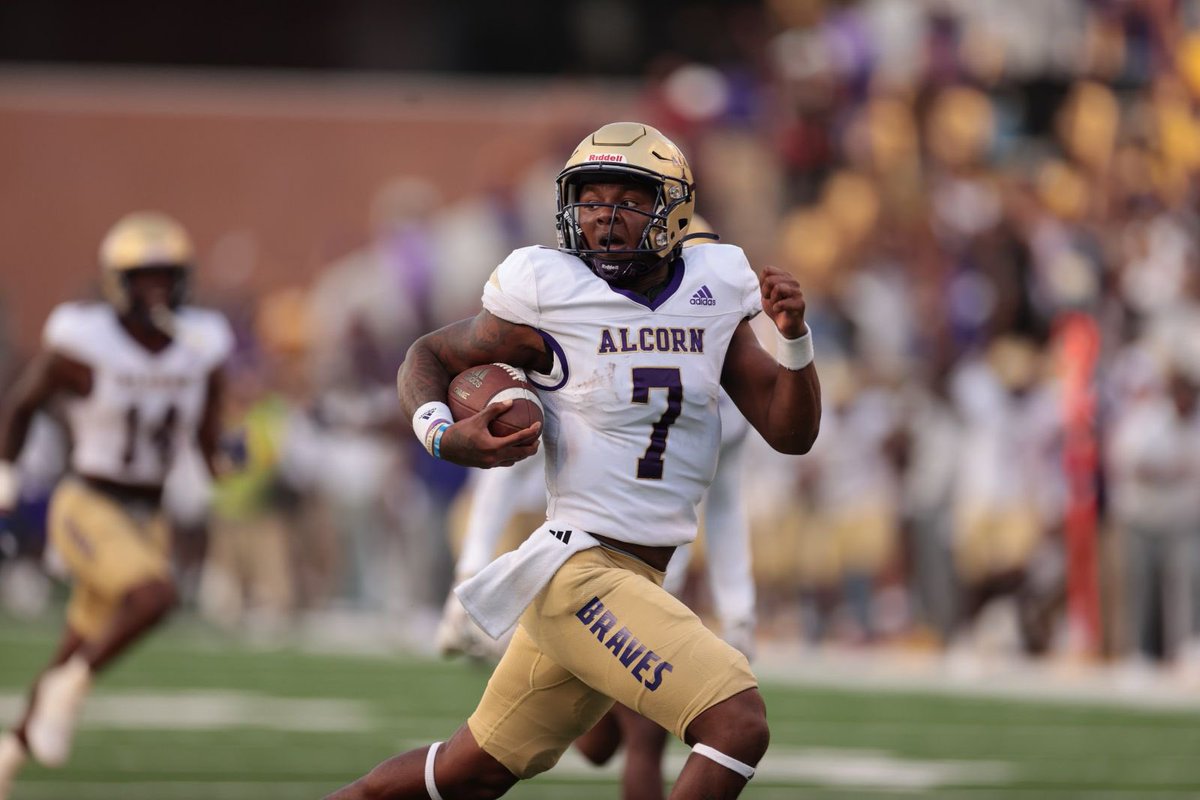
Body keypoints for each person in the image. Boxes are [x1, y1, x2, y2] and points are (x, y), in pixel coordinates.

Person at [326, 121, 820, 800]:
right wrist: (443, 435)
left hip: (633, 574)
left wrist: (795, 343)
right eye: (591, 199)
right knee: (737, 723)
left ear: (674, 210)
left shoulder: (716, 284)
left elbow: (789, 432)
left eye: (627, 199)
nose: (605, 218)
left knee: (471, 772)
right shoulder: (548, 289)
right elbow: (430, 357)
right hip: (580, 572)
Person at [0, 212, 233, 798]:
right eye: (143, 275)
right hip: (87, 502)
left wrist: (226, 458)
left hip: (143, 515)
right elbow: (21, 405)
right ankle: (69, 690)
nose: (156, 287)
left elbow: (207, 441)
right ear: (116, 280)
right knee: (154, 596)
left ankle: (7, 757)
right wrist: (5, 474)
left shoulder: (203, 344)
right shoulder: (84, 340)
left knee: (79, 643)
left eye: (166, 274)